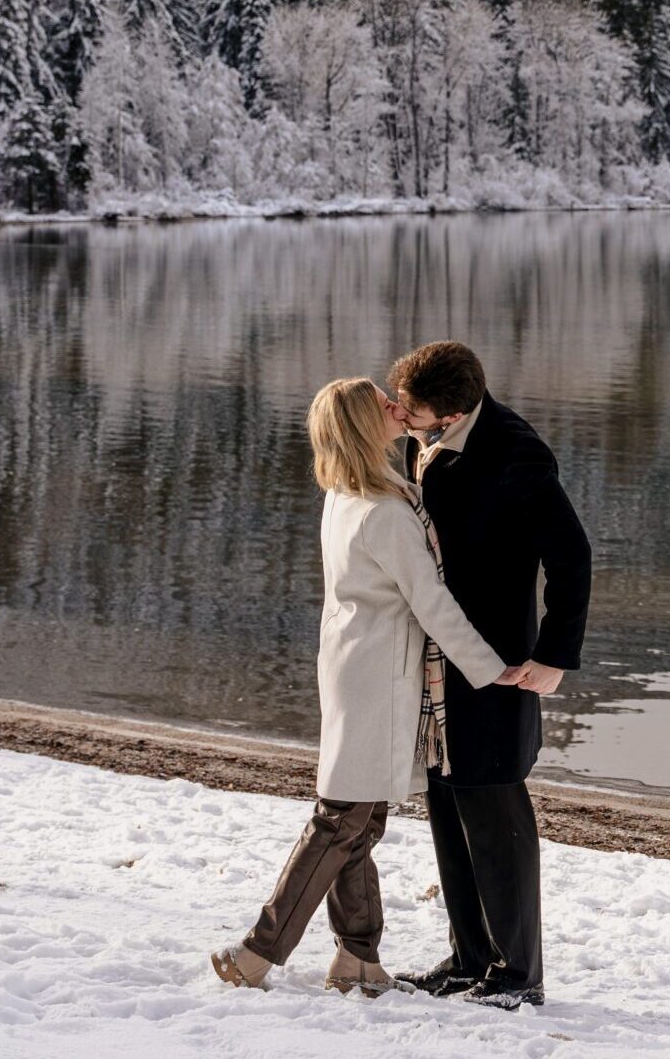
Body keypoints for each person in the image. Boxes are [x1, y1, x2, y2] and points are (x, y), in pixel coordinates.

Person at [211, 378, 525, 995]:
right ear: (360, 425)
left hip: (354, 666)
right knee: (340, 819)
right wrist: (491, 670)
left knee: (358, 819)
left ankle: (358, 957)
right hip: (378, 677)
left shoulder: (348, 493)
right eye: (381, 403)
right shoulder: (383, 512)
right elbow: (431, 604)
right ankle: (259, 952)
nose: (395, 404)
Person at [385, 341, 592, 1010]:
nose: (401, 413)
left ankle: (517, 974)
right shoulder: (437, 438)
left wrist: (555, 656)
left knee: (495, 808)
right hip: (440, 657)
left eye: (410, 405)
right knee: (449, 800)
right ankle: (470, 956)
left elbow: (571, 555)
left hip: (498, 663)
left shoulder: (514, 451)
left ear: (447, 406)